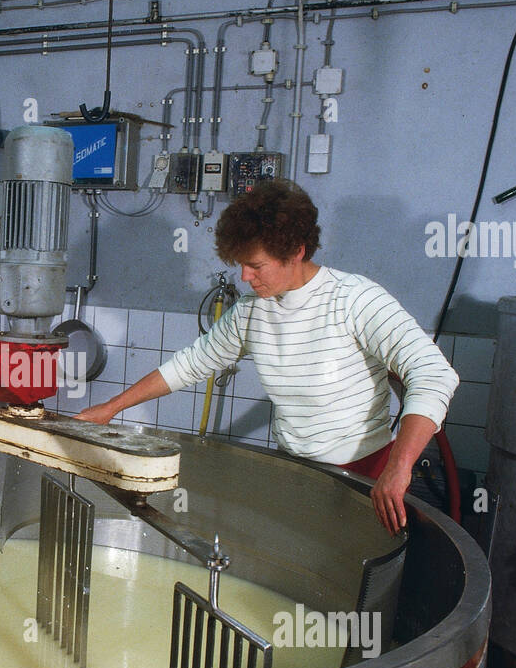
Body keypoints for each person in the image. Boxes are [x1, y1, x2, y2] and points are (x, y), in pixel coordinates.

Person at [75, 180, 458, 535]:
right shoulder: (252, 310)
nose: (244, 276)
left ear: (296, 252)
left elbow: (434, 374)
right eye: (240, 264)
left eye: (256, 266)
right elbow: (191, 363)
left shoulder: (354, 299)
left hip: (366, 476)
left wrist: (400, 467)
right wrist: (111, 407)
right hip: (296, 472)